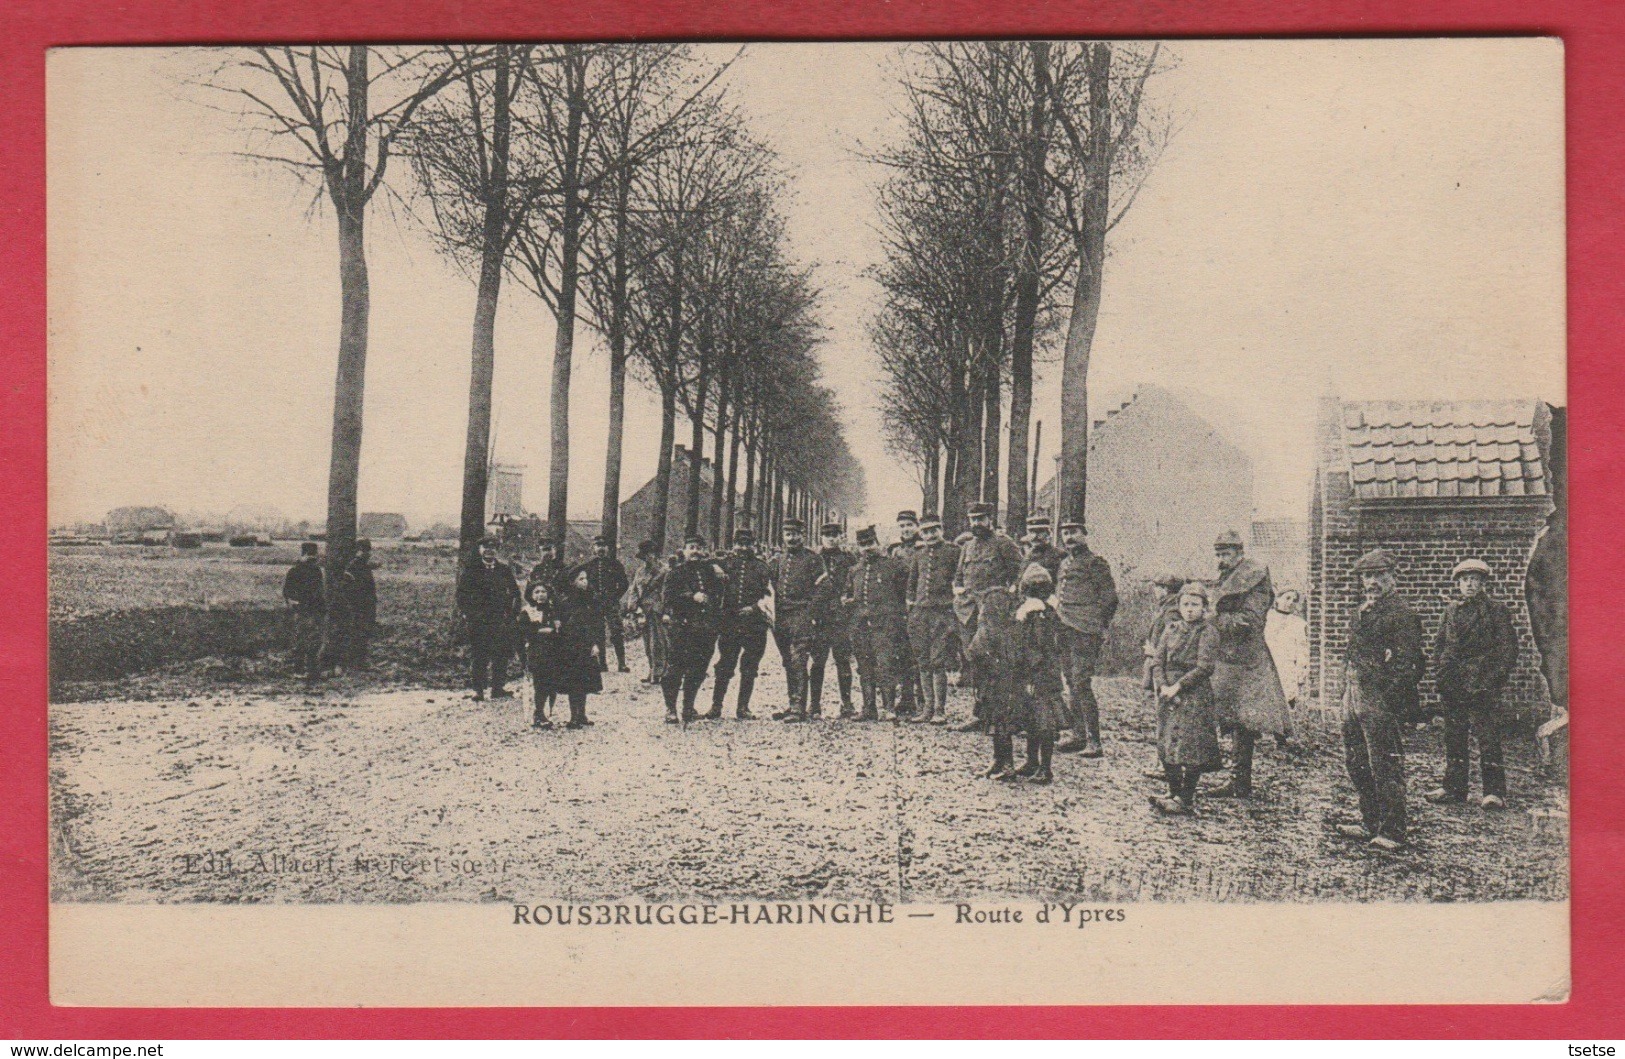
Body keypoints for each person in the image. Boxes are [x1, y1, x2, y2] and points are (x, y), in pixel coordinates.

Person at [1337, 548, 1424, 852]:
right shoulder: (1362, 611)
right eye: (1366, 575)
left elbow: (1411, 664)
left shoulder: (1401, 615)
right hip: (1353, 695)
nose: (1371, 582)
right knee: (1357, 761)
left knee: (1385, 764)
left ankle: (1393, 831)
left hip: (1378, 700)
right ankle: (1370, 823)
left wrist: (1388, 697)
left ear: (1391, 577)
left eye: (1377, 575)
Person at [1425, 558, 1520, 810]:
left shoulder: (1495, 610)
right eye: (1464, 580)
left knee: (1487, 737)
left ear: (1482, 583)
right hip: (1453, 682)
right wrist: (1441, 672)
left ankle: (1494, 793)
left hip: (1482, 684)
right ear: (1458, 583)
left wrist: (1492, 680)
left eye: (1474, 579)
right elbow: (1440, 645)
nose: (1469, 584)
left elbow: (1508, 650)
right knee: (1454, 736)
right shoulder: (1451, 610)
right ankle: (1454, 788)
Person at [1208, 530, 1291, 798]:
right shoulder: (1229, 576)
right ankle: (1235, 779)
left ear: (1240, 552)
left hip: (1246, 658)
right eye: (1219, 553)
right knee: (1232, 718)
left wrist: (1213, 620)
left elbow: (1249, 621)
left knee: (1245, 721)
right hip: (1228, 655)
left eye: (1226, 553)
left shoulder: (1254, 578)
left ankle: (1240, 781)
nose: (1222, 559)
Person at [1149, 582, 1223, 816]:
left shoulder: (1207, 632)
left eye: (1195, 605)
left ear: (1204, 607)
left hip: (1194, 694)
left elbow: (1204, 667)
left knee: (1190, 745)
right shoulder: (1171, 628)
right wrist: (1163, 686)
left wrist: (1178, 687)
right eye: (1185, 604)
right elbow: (1157, 661)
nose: (1190, 609)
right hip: (1167, 693)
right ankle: (1173, 791)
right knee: (1167, 741)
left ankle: (1186, 798)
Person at [952, 501, 1023, 731]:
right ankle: (980, 713)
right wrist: (959, 591)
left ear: (990, 520)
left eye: (980, 519)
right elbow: (959, 577)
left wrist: (1007, 599)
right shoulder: (967, 546)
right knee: (975, 661)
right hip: (968, 612)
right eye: (973, 519)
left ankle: (1002, 716)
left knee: (996, 664)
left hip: (994, 612)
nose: (976, 524)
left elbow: (1018, 575)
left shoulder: (1004, 543)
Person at [1052, 519, 1118, 756]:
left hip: (1085, 631)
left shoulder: (1096, 563)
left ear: (1085, 534)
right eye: (1065, 533)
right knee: (1070, 681)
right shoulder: (1064, 563)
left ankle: (1094, 741)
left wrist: (1098, 624)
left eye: (1074, 533)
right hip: (1064, 628)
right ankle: (1077, 735)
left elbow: (1109, 598)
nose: (1069, 538)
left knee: (1081, 682)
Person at [1010, 563, 1067, 785]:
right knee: (1033, 720)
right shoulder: (1046, 612)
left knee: (1043, 723)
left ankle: (1045, 768)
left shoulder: (1037, 615)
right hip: (1040, 675)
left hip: (1040, 676)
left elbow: (1037, 648)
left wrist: (1031, 675)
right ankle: (1033, 762)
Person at [660, 536, 726, 724]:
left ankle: (688, 707)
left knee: (698, 669)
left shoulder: (710, 571)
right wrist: (691, 597)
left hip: (705, 629)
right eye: (691, 547)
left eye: (699, 547)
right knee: (675, 669)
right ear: (684, 550)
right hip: (682, 627)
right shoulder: (675, 573)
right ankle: (671, 709)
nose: (695, 551)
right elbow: (668, 598)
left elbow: (718, 593)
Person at [848, 526, 910, 721]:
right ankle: (868, 708)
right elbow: (849, 594)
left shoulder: (893, 566)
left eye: (870, 544)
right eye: (863, 545)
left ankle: (889, 707)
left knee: (886, 665)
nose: (867, 549)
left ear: (878, 544)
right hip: (861, 626)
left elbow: (903, 595)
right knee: (864, 666)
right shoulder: (855, 570)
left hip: (885, 626)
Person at [710, 528, 772, 720]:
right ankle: (716, 706)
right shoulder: (725, 564)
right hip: (730, 622)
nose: (743, 548)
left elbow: (769, 594)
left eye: (747, 544)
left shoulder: (762, 567)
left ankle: (743, 707)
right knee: (725, 664)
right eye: (740, 543)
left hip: (754, 624)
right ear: (734, 545)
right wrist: (714, 566)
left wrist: (754, 608)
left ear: (753, 544)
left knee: (750, 666)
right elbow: (701, 562)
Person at [906, 516, 960, 725]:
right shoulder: (919, 555)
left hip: (942, 614)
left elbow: (959, 579)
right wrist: (912, 608)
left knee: (938, 662)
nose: (929, 535)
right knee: (923, 661)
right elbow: (912, 584)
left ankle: (940, 710)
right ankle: (926, 708)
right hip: (921, 614)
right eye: (926, 531)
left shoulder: (953, 552)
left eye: (933, 531)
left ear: (941, 530)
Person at [771, 519, 824, 722]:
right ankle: (793, 702)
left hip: (801, 615)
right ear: (783, 536)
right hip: (782, 617)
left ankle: (799, 708)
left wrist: (811, 613)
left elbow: (823, 588)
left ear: (803, 535)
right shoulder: (778, 560)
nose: (791, 538)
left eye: (795, 534)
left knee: (798, 659)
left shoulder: (813, 559)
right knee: (788, 661)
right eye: (788, 534)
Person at [457, 537, 521, 701]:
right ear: (480, 550)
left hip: (500, 620)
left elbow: (515, 593)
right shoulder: (472, 570)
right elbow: (461, 595)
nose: (489, 551)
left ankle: (498, 688)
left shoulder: (504, 570)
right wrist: (470, 614)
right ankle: (479, 690)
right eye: (485, 547)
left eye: (493, 548)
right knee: (480, 655)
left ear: (497, 551)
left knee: (501, 655)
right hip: (479, 621)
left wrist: (512, 615)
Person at [1140, 574, 1191, 780]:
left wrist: (1153, 653)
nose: (1155, 590)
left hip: (1167, 671)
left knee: (1166, 719)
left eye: (1157, 586)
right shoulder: (1168, 609)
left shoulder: (1171, 613)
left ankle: (1168, 765)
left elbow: (1173, 644)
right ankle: (1166, 763)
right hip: (1162, 667)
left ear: (1164, 589)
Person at [809, 522, 857, 719]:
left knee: (843, 661)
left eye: (835, 534)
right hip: (819, 618)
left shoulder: (849, 558)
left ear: (841, 536)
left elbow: (856, 583)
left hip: (841, 618)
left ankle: (847, 704)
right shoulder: (813, 558)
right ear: (821, 537)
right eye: (826, 535)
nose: (830, 538)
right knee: (817, 661)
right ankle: (814, 705)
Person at [549, 566, 606, 729]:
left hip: (586, 645)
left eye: (586, 578)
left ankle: (582, 714)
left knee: (585, 680)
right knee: (574, 682)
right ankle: (573, 716)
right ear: (572, 582)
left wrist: (595, 643)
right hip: (570, 646)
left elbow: (595, 623)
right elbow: (558, 620)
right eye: (581, 579)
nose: (585, 582)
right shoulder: (565, 601)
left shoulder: (590, 600)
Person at [887, 510, 924, 718]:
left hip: (919, 605)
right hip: (899, 607)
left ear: (916, 526)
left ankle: (923, 698)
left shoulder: (923, 548)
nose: (906, 530)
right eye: (902, 526)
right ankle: (907, 696)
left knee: (919, 653)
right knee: (902, 653)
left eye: (909, 525)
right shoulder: (895, 551)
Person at [579, 535, 631, 674]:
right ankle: (602, 664)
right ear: (593, 548)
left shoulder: (615, 565)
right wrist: (590, 596)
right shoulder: (588, 566)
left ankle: (621, 663)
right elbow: (582, 583)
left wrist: (615, 596)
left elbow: (624, 584)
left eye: (603, 546)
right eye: (598, 545)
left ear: (607, 548)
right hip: (595, 604)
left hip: (611, 603)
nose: (601, 548)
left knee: (617, 632)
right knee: (598, 633)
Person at [1265, 588, 1310, 748]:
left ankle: (1282, 737)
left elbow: (1302, 649)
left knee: (1286, 699)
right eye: (1287, 598)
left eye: (1294, 600)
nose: (1290, 602)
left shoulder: (1298, 624)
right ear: (1277, 599)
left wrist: (1301, 669)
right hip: (1269, 664)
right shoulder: (1267, 618)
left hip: (1287, 666)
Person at [514, 579, 562, 728]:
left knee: (551, 682)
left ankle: (546, 712)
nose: (540, 595)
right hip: (536, 651)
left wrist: (554, 630)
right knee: (540, 682)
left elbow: (559, 630)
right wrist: (542, 630)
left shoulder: (552, 610)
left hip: (553, 650)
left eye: (543, 592)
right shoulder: (527, 612)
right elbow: (523, 632)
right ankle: (538, 713)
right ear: (531, 594)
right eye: (537, 592)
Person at [328, 538, 378, 671]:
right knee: (354, 634)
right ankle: (349, 662)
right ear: (357, 552)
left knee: (363, 633)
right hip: (358, 607)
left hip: (367, 606)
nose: (366, 554)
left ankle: (360, 661)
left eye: (368, 551)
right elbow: (345, 588)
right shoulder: (354, 566)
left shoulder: (364, 566)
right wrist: (353, 602)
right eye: (363, 551)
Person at [282, 541, 327, 679]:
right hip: (302, 610)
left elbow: (319, 591)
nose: (313, 559)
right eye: (310, 555)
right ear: (304, 555)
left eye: (314, 556)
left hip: (315, 610)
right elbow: (287, 592)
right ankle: (299, 670)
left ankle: (312, 669)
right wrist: (294, 603)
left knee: (315, 641)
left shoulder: (316, 571)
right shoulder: (294, 571)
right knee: (301, 640)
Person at [628, 541, 666, 684]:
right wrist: (633, 607)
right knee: (647, 643)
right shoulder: (640, 571)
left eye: (649, 555)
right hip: (643, 611)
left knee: (658, 642)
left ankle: (660, 672)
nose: (647, 558)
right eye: (644, 556)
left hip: (657, 610)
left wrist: (662, 608)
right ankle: (652, 669)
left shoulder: (664, 571)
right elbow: (634, 590)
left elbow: (666, 592)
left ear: (655, 555)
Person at [1022, 515, 1064, 583]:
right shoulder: (1027, 555)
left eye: (1040, 532)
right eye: (1032, 532)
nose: (1035, 536)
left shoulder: (1060, 554)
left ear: (1048, 533)